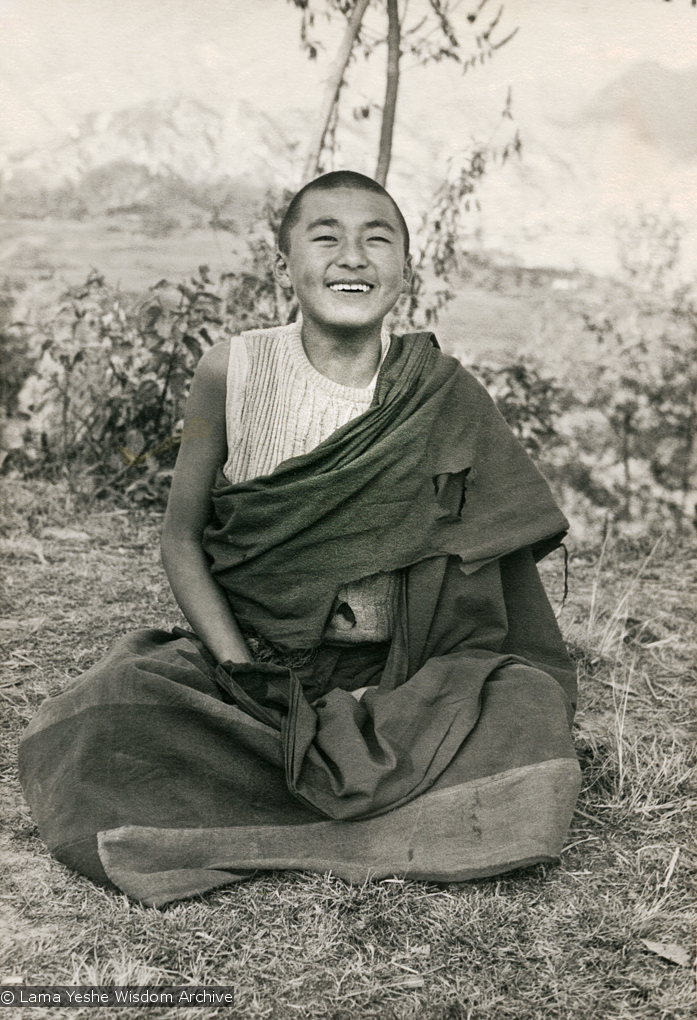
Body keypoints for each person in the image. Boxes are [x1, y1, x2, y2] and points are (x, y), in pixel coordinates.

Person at [19, 171, 581, 908]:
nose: (352, 256)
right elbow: (180, 539)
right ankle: (385, 814)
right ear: (286, 263)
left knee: (524, 703)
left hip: (402, 676)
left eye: (377, 238)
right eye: (325, 237)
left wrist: (423, 676)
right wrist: (240, 669)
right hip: (258, 668)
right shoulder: (232, 370)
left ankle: (276, 805)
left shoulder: (441, 393)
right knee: (109, 712)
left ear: (405, 269)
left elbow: (491, 560)